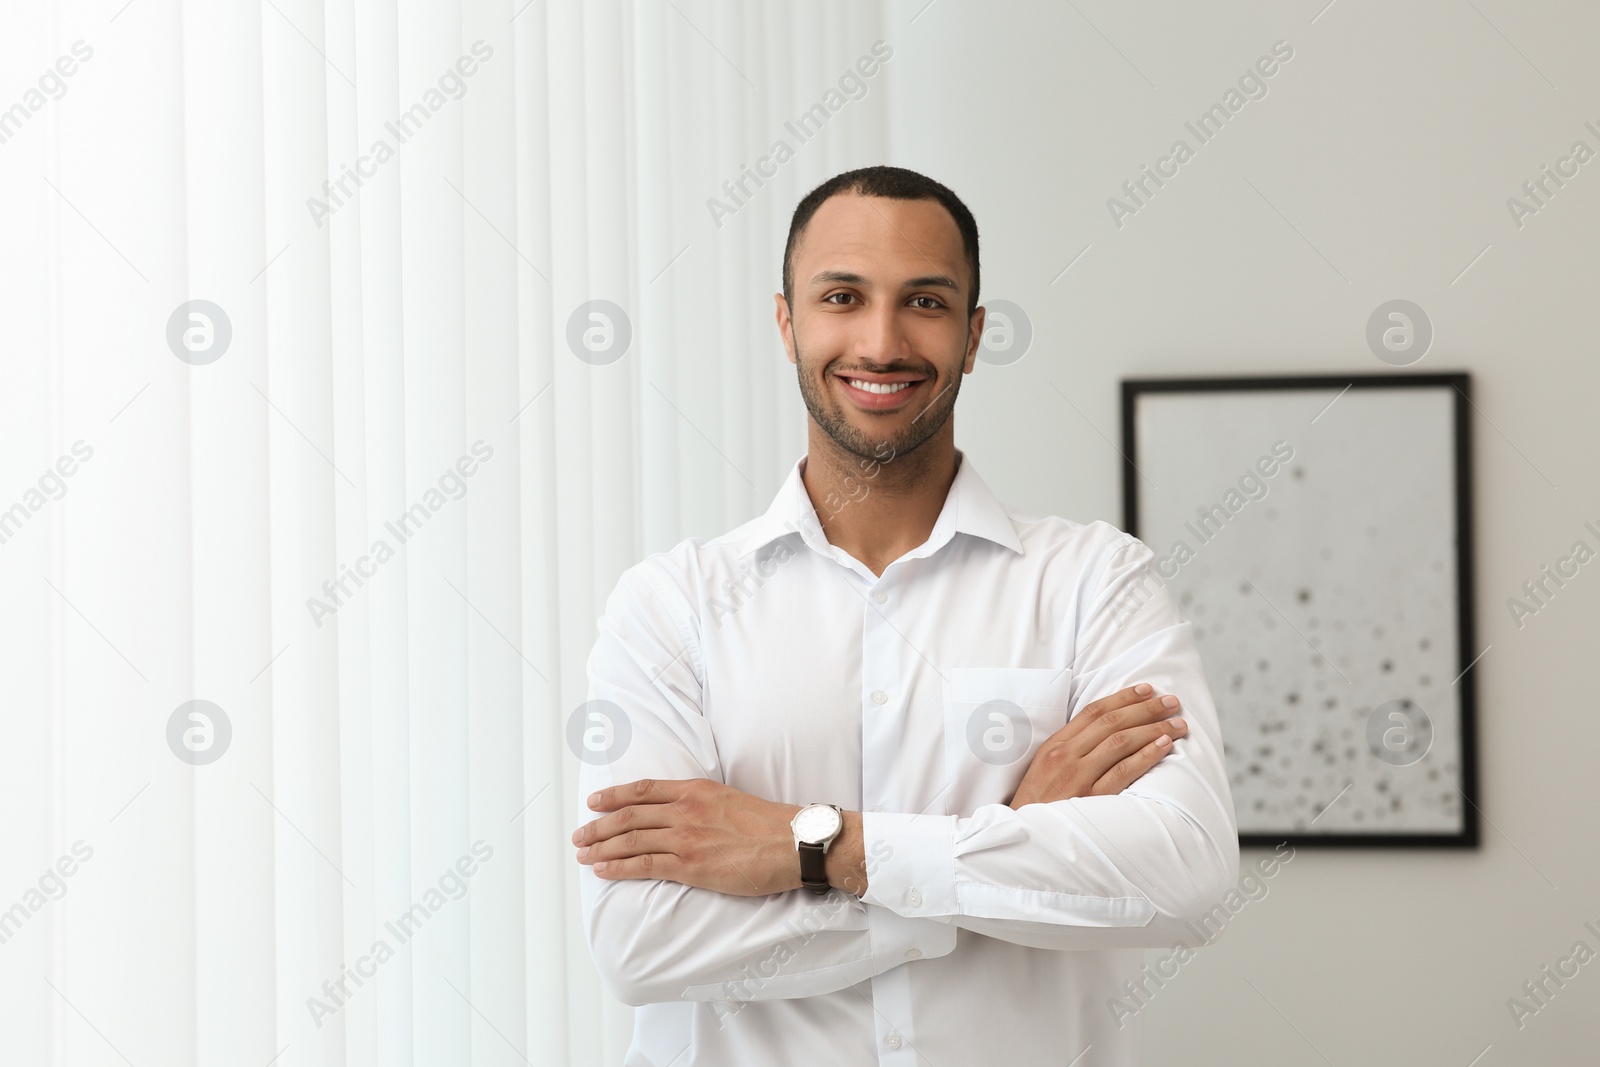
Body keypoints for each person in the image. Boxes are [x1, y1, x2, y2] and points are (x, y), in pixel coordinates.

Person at [571, 165, 1239, 1066]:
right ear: (787, 324)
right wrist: (1006, 841)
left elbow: (1184, 876)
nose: (881, 342)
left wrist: (814, 846)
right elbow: (640, 941)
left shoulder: (1096, 581)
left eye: (923, 301)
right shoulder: (671, 604)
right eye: (843, 296)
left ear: (972, 337)